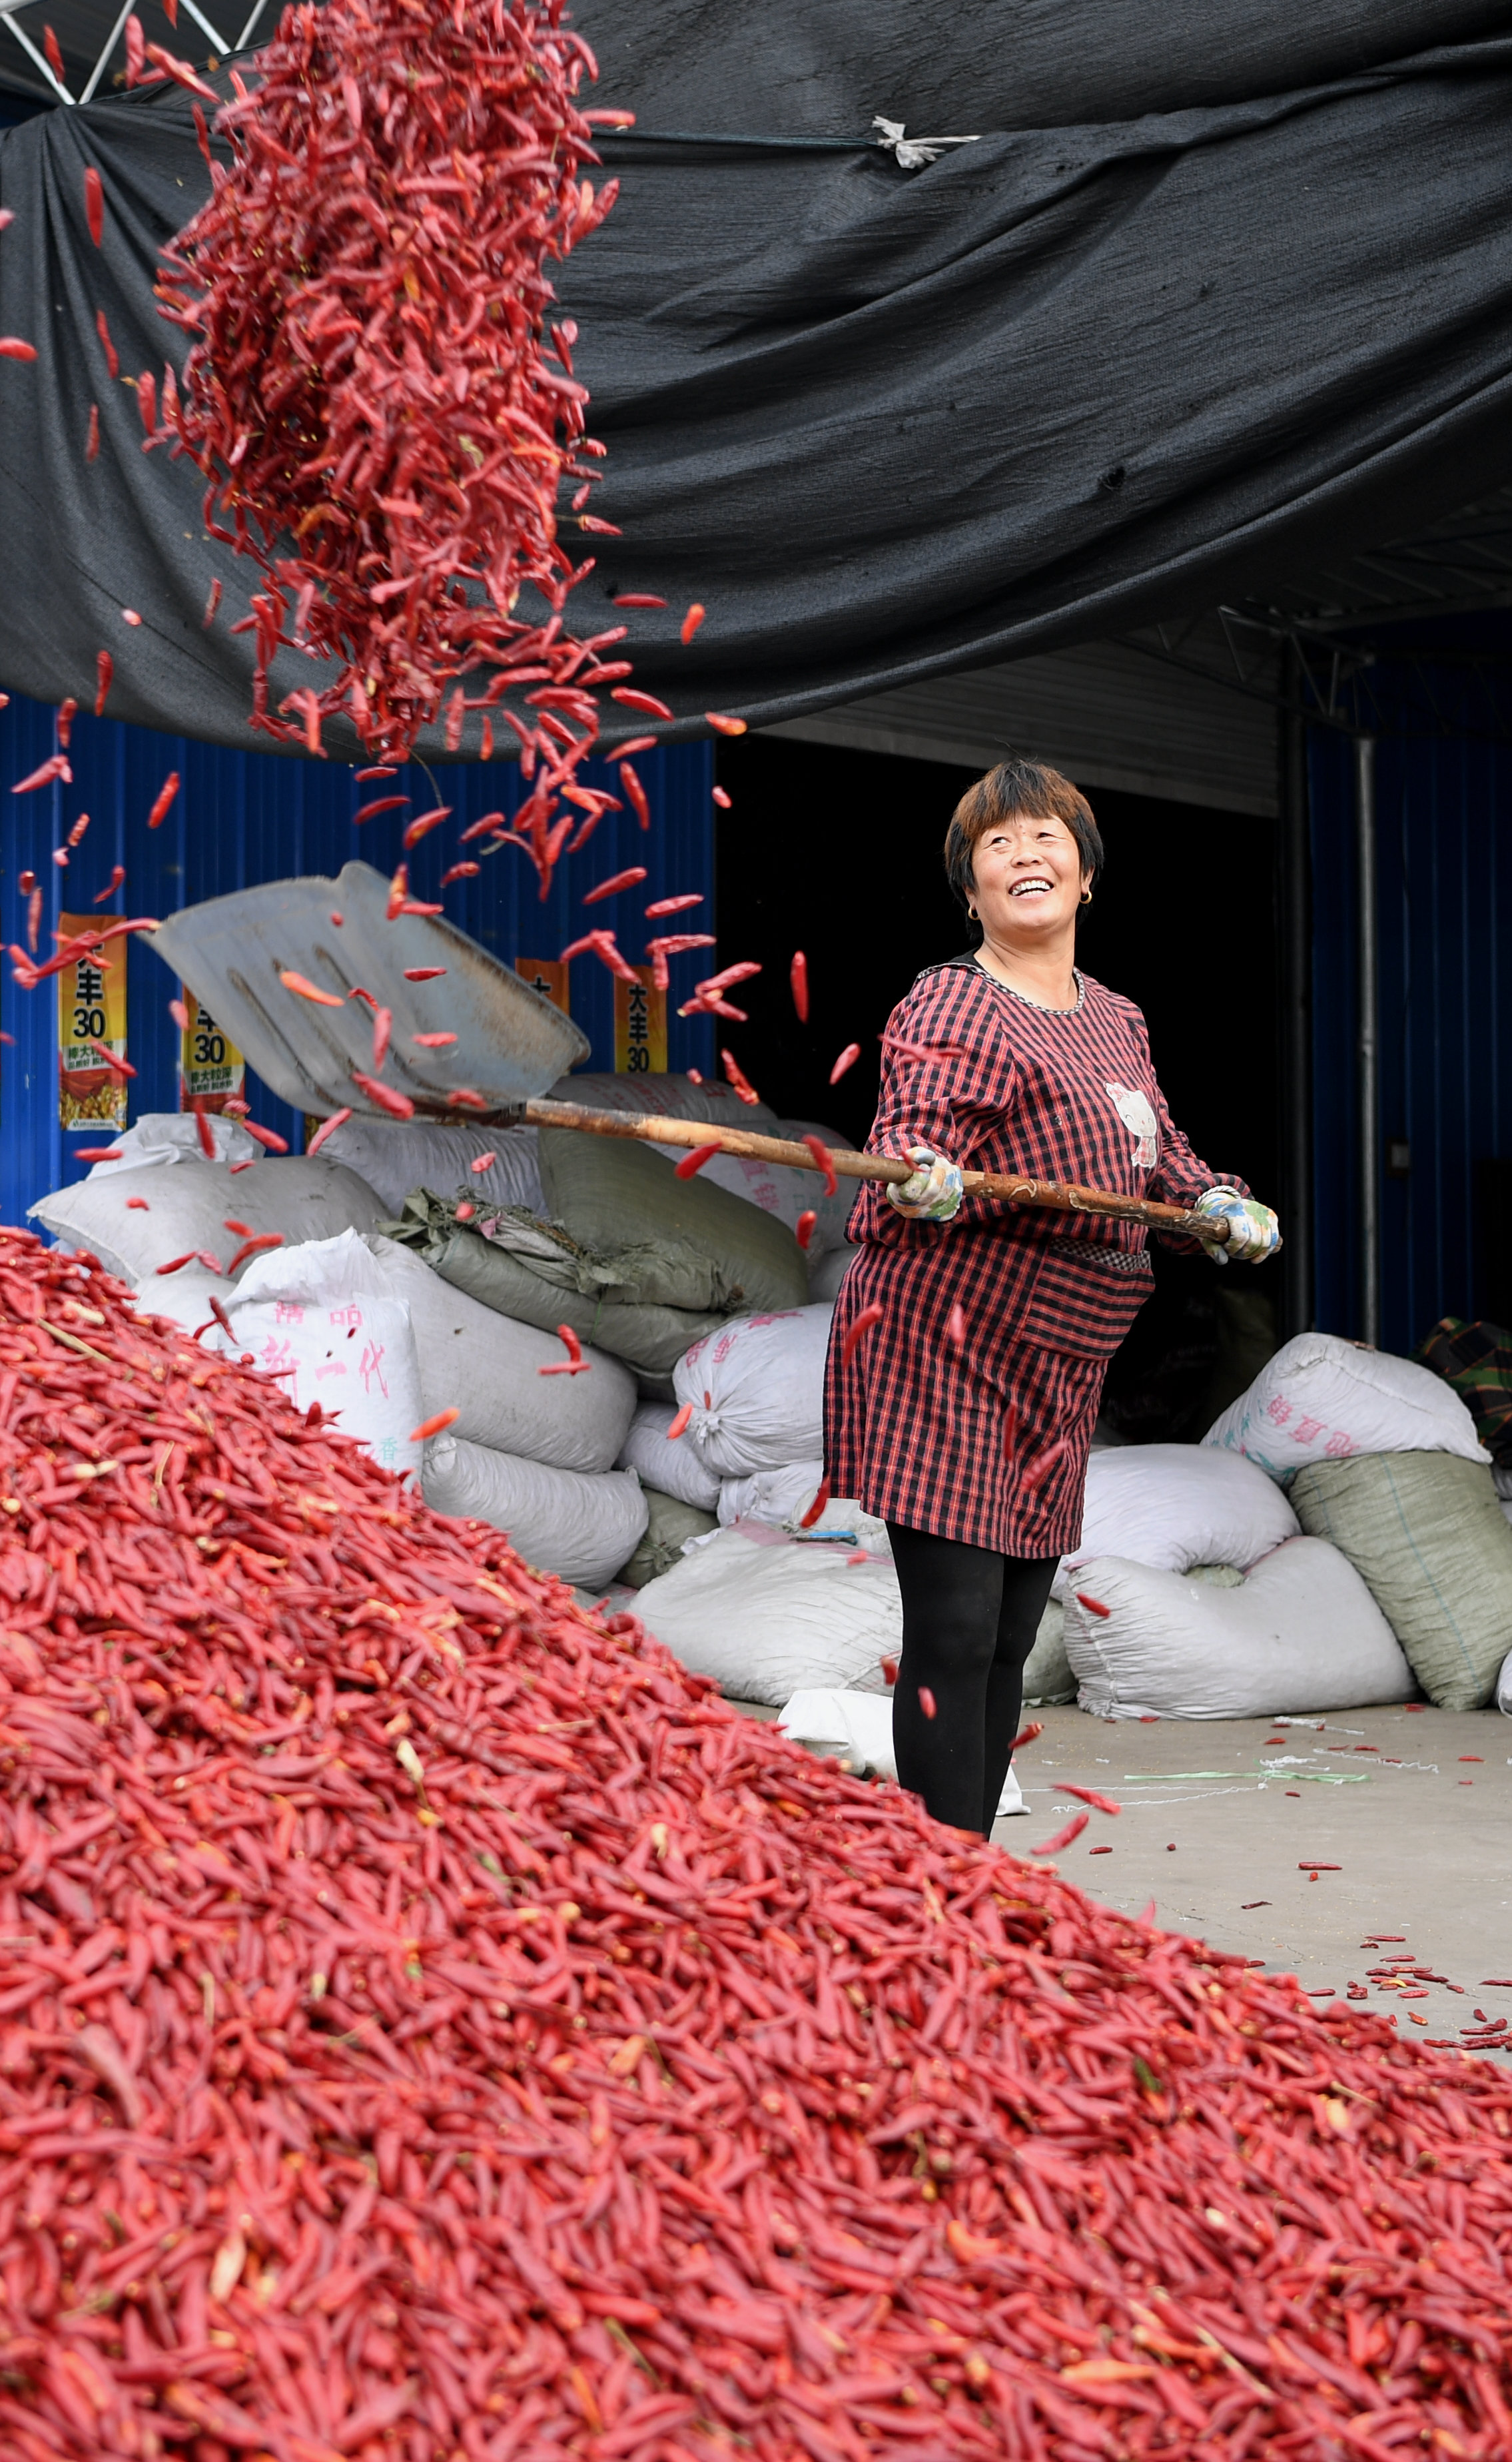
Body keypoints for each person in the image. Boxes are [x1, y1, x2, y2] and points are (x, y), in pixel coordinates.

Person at [823, 757, 1279, 1838]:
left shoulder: (1115, 1017)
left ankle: (967, 1871)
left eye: (1045, 838)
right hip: (944, 1345)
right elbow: (908, 1138)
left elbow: (1156, 1151)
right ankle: (939, 1884)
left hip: (1058, 1360)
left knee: (1010, 1640)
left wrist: (1214, 1199)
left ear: (1086, 875)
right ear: (969, 889)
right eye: (997, 844)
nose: (1023, 855)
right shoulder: (950, 998)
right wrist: (921, 1177)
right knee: (955, 1629)